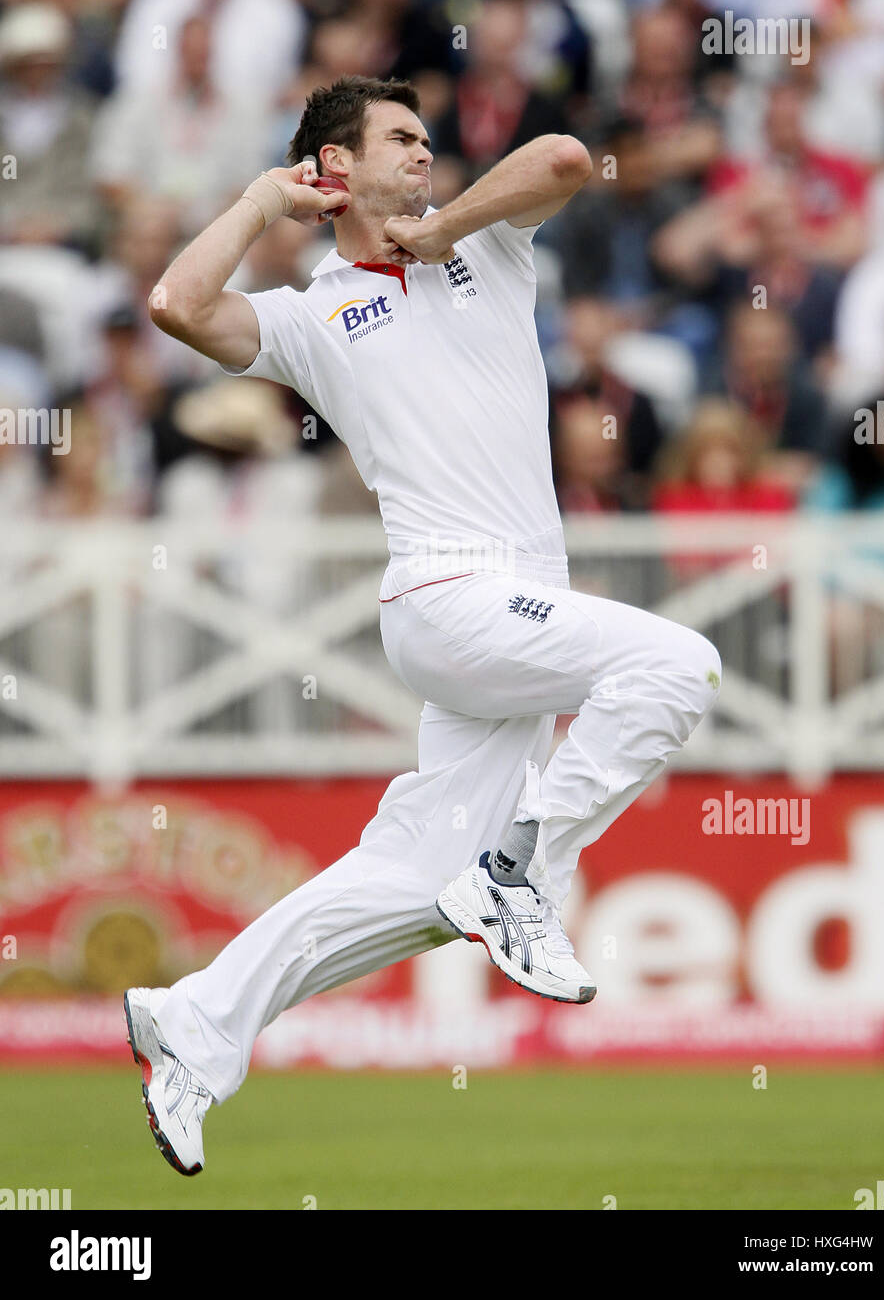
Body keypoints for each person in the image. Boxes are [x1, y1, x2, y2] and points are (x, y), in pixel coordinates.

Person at [124, 75, 722, 1175]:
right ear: (335, 170)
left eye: (427, 138)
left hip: (500, 622)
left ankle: (197, 1021)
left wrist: (440, 226)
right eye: (400, 139)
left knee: (407, 882)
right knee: (677, 663)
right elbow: (175, 305)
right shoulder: (311, 315)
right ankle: (520, 874)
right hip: (448, 597)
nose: (423, 153)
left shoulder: (484, 247)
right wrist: (263, 200)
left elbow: (562, 156)